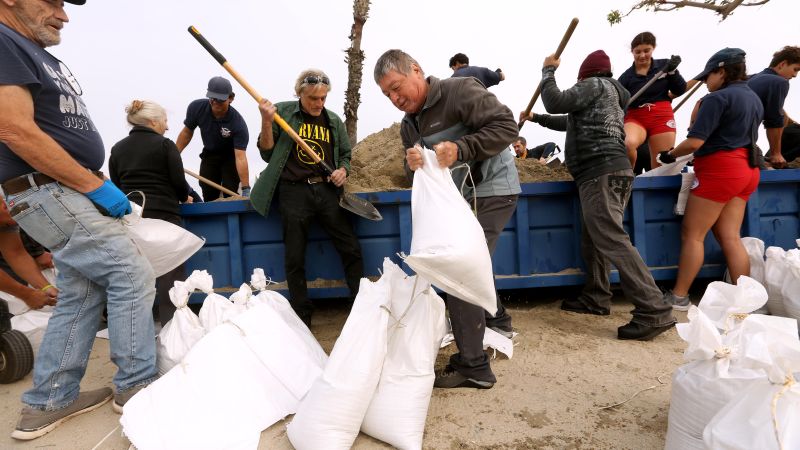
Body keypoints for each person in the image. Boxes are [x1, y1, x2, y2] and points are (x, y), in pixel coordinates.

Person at [0, 0, 158, 439]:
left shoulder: (27, 48)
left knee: (81, 294)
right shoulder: (4, 40)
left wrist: (93, 178)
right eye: (51, 1)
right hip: (48, 189)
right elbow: (13, 129)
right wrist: (93, 187)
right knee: (131, 275)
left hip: (61, 188)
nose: (63, 14)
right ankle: (138, 387)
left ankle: (48, 401)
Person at [375, 49, 520, 389]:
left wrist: (461, 147)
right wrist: (412, 163)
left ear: (416, 70)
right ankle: (497, 320)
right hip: (456, 201)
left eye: (397, 87)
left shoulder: (459, 91)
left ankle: (475, 366)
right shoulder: (409, 124)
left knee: (459, 267)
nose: (395, 98)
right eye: (387, 95)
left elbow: (507, 127)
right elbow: (417, 172)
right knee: (471, 263)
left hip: (492, 190)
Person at [521, 49, 676, 340]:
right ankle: (596, 296)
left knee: (611, 239)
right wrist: (537, 119)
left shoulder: (593, 84)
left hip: (599, 171)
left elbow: (556, 100)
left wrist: (548, 71)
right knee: (595, 238)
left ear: (584, 75)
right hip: (613, 171)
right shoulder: (611, 95)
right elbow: (570, 121)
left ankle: (654, 309)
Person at [251, 69, 363, 327]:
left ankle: (358, 306)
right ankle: (302, 316)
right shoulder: (282, 113)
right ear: (300, 93)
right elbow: (267, 153)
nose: (319, 103)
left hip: (326, 190)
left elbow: (346, 154)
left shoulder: (333, 120)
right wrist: (267, 121)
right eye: (313, 98)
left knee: (351, 248)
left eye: (323, 98)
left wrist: (342, 171)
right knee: (294, 256)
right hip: (294, 192)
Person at [658, 48, 763, 310]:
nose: (706, 81)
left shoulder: (717, 99)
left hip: (721, 170)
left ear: (722, 71)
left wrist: (669, 155)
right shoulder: (753, 97)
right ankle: (744, 301)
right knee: (730, 236)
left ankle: (679, 296)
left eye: (708, 75)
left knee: (693, 234)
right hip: (748, 169)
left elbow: (695, 141)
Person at [109, 100, 191, 325]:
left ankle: (134, 329)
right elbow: (178, 182)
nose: (167, 127)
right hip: (165, 217)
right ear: (154, 121)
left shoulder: (117, 149)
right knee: (170, 277)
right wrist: (186, 197)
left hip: (133, 220)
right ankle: (172, 328)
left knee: (136, 276)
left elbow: (116, 186)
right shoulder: (165, 145)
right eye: (165, 121)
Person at [175, 76, 250, 201]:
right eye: (212, 98)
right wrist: (174, 155)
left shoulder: (238, 124)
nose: (215, 102)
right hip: (209, 154)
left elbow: (240, 157)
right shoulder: (196, 108)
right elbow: (187, 133)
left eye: (220, 100)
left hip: (230, 157)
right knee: (207, 188)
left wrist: (246, 188)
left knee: (230, 189)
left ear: (230, 98)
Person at [618, 32, 687, 169]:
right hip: (636, 117)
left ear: (653, 48)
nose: (642, 55)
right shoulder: (626, 77)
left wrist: (672, 72)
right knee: (628, 143)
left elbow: (680, 90)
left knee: (661, 164)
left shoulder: (665, 67)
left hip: (661, 116)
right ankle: (628, 176)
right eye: (637, 52)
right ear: (632, 52)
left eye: (646, 51)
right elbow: (619, 104)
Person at [747, 45, 800, 169]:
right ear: (782, 64)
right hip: (739, 145)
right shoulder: (779, 82)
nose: (795, 75)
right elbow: (774, 120)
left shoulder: (750, 78)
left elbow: (778, 112)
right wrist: (776, 154)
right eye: (795, 69)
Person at [0, 196, 57, 310]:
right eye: (9, 224)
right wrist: (26, 294)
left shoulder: (7, 216)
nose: (14, 224)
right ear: (5, 206)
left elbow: (16, 254)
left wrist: (47, 287)